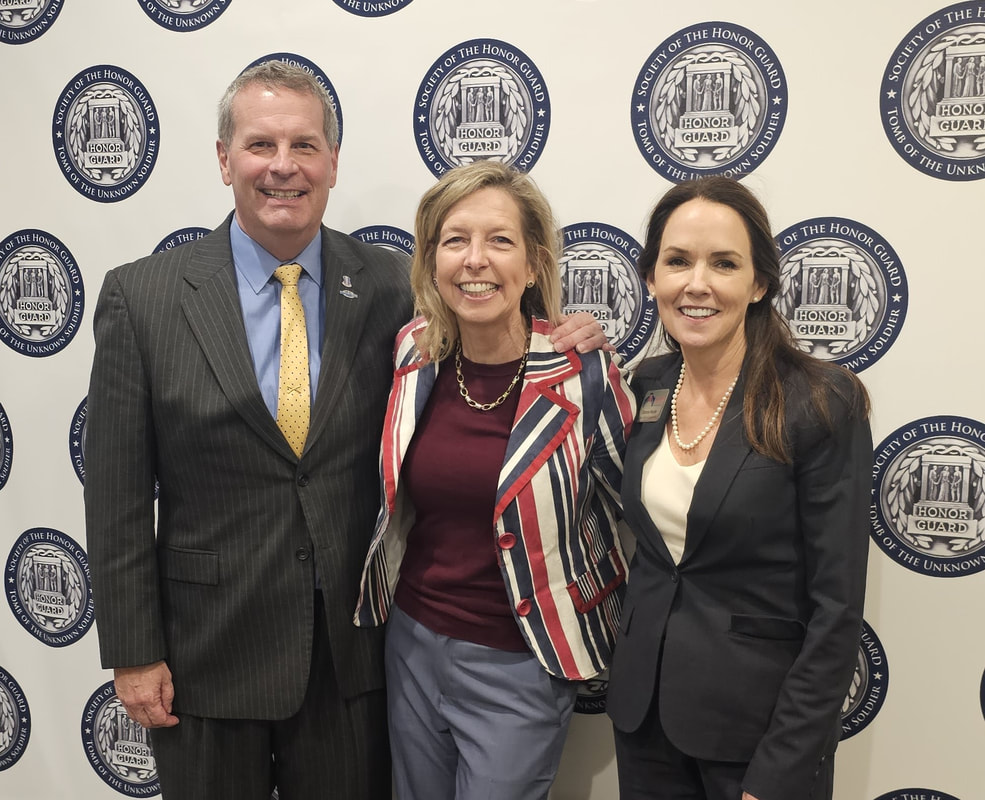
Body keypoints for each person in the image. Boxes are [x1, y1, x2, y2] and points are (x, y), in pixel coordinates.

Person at [84, 61, 606, 800]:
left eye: (304, 145)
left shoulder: (397, 286)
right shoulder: (143, 296)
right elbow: (117, 497)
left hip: (351, 660)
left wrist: (567, 332)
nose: (283, 166)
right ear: (223, 157)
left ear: (332, 161)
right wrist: (134, 654)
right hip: (205, 657)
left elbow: (497, 338)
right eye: (261, 144)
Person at [353, 160, 636, 800]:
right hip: (412, 644)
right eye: (455, 240)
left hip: (522, 662)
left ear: (533, 264)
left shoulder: (583, 375)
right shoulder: (412, 352)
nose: (475, 261)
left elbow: (634, 516)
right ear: (430, 261)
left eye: (500, 241)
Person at [605, 177, 872, 800]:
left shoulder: (819, 400)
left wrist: (780, 771)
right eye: (677, 261)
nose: (696, 283)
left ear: (758, 284)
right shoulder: (645, 384)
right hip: (646, 722)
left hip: (758, 742)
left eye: (723, 263)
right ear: (651, 278)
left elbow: (835, 611)